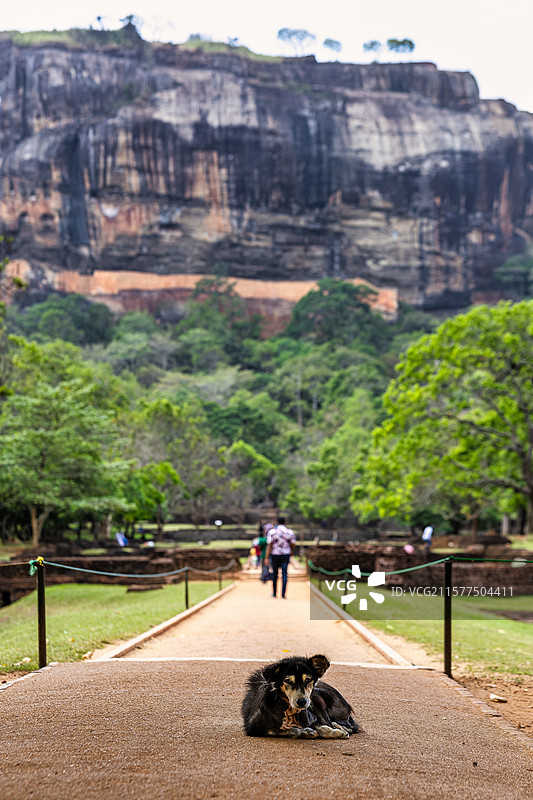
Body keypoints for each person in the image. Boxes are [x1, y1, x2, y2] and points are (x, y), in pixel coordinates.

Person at [265, 517, 296, 599]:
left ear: (277, 522)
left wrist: (266, 558)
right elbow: (293, 544)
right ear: (285, 522)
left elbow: (269, 545)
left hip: (275, 554)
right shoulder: (289, 532)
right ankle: (283, 594)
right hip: (285, 555)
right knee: (284, 574)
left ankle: (275, 593)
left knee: (275, 574)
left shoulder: (272, 532)